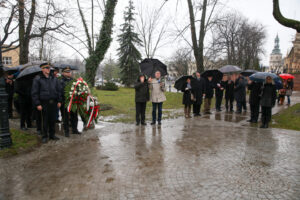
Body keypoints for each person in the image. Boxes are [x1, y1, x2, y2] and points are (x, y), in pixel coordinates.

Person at [31, 63, 62, 143]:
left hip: (53, 102)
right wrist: (37, 104)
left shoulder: (54, 78)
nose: (48, 69)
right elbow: (34, 93)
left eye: (49, 68)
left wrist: (59, 100)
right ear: (42, 69)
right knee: (44, 120)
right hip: (44, 103)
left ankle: (52, 134)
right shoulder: (38, 79)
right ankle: (45, 135)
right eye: (46, 68)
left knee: (52, 119)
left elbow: (59, 90)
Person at [60, 67, 81, 137]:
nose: (69, 73)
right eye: (67, 72)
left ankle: (75, 129)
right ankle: (66, 131)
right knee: (65, 117)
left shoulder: (73, 80)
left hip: (74, 102)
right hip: (65, 102)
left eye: (69, 72)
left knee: (74, 116)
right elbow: (60, 91)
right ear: (63, 73)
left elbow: (77, 88)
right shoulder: (61, 81)